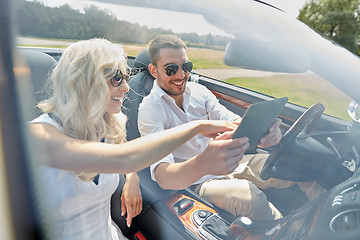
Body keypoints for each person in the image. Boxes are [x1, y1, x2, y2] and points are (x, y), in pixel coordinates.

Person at [28, 38, 238, 240]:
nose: (126, 88)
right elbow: (122, 158)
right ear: (86, 81)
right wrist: (197, 127)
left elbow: (122, 153)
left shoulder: (107, 125)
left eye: (125, 78)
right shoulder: (38, 135)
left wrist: (132, 178)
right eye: (116, 78)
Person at [138, 34, 324, 221]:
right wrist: (203, 163)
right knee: (249, 197)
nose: (180, 75)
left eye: (186, 67)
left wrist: (263, 129)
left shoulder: (199, 92)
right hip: (197, 181)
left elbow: (231, 120)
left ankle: (323, 221)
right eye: (171, 69)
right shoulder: (150, 110)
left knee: (297, 165)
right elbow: (163, 177)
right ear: (154, 71)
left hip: (230, 163)